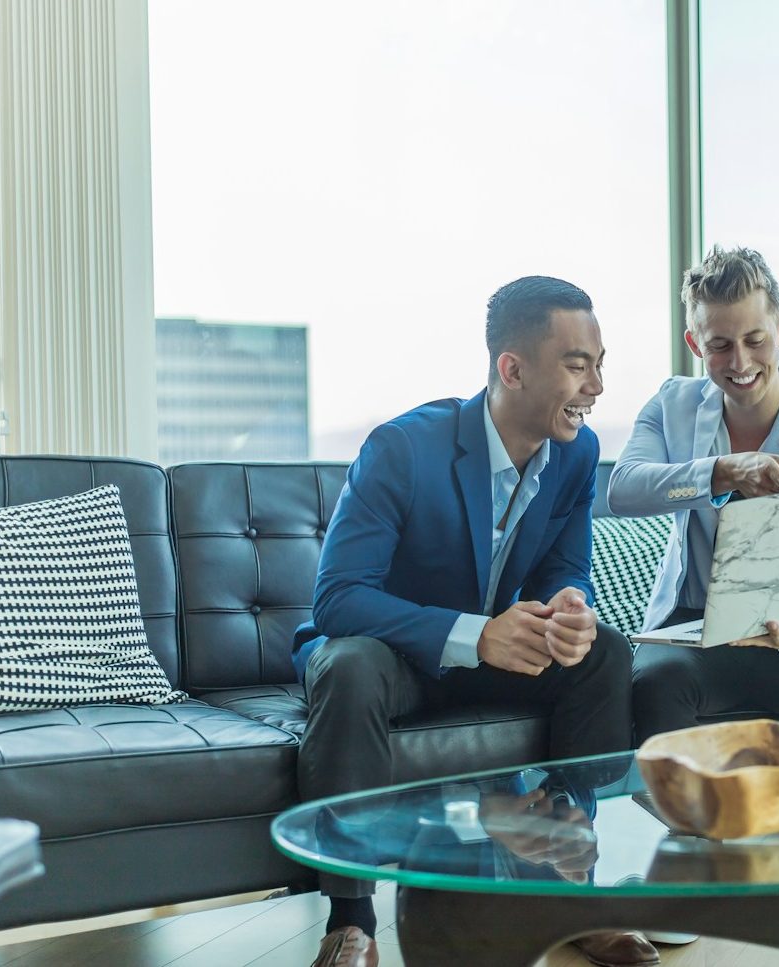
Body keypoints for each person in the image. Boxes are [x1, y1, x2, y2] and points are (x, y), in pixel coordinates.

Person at [294, 276, 655, 967]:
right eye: (579, 364)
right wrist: (475, 632)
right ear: (512, 369)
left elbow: (562, 566)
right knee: (348, 665)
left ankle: (564, 883)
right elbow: (337, 598)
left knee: (602, 652)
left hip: (490, 653)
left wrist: (571, 605)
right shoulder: (402, 448)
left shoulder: (576, 454)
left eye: (600, 362)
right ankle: (352, 921)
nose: (598, 386)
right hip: (390, 657)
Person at [608, 246, 779, 743]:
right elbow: (623, 489)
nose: (740, 362)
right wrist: (723, 472)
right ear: (694, 343)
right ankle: (681, 822)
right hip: (696, 629)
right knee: (654, 682)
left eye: (755, 339)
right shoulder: (672, 406)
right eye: (720, 345)